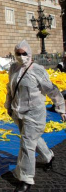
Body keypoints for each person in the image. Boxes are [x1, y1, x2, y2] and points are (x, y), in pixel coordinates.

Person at [5, 40, 66, 192]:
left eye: (24, 53)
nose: (21, 56)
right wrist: (8, 105)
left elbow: (52, 90)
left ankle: (26, 178)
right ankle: (49, 156)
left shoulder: (37, 70)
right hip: (18, 111)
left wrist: (61, 108)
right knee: (32, 139)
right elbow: (10, 89)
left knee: (27, 143)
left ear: (30, 54)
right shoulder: (13, 68)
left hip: (35, 113)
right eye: (18, 53)